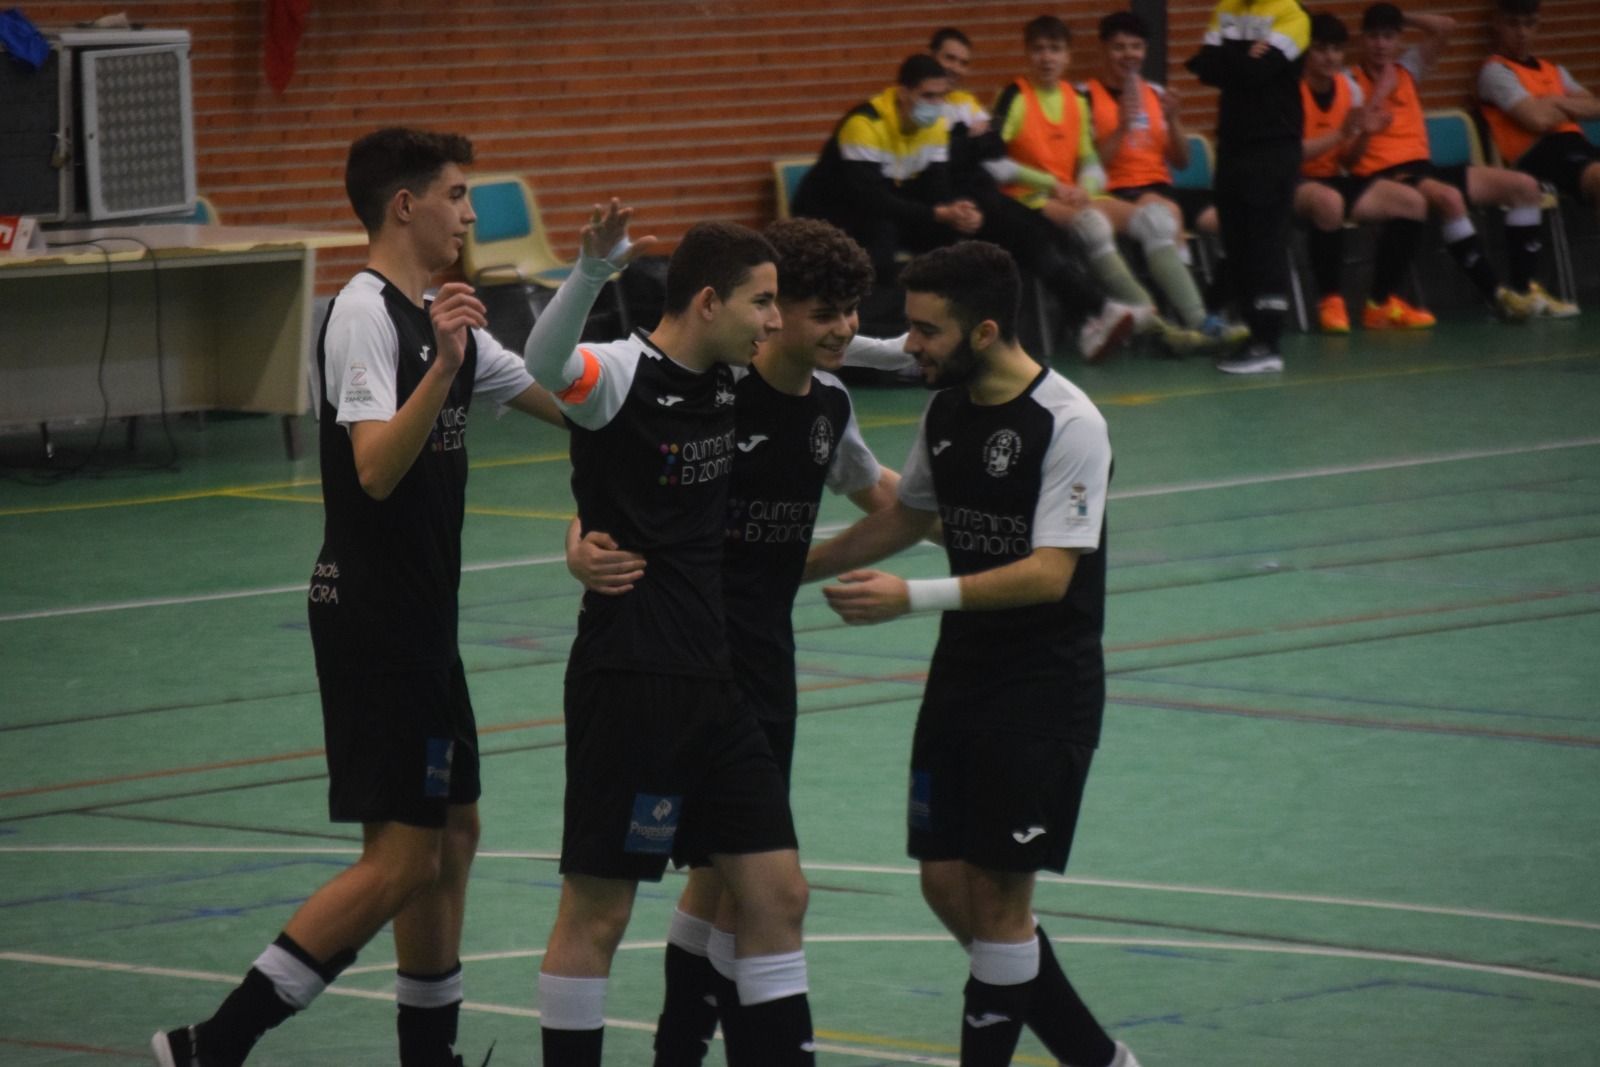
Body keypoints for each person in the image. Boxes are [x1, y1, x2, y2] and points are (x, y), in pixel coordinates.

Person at [150, 128, 563, 1067]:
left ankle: (429, 1055)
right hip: (377, 618)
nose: (469, 212)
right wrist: (449, 367)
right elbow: (375, 467)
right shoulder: (366, 315)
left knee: (455, 830)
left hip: (422, 618)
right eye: (457, 194)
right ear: (405, 205)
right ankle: (213, 1044)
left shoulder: (435, 310)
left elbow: (568, 397)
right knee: (403, 856)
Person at [568, 218, 898, 1066]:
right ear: (768, 309)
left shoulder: (828, 405)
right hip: (674, 656)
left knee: (742, 884)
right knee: (708, 883)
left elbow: (885, 493)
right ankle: (680, 1048)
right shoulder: (719, 382)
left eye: (853, 313)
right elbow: (620, 460)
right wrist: (580, 539)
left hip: (762, 661)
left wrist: (820, 561)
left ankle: (683, 1051)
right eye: (822, 310)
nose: (845, 329)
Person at [803, 240, 1139, 1067]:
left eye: (926, 330)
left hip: (1042, 687)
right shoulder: (945, 411)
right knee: (947, 883)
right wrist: (776, 566)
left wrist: (911, 597)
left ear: (984, 330)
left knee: (997, 897)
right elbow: (906, 517)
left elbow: (1052, 573)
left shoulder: (1068, 423)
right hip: (962, 678)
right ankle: (1101, 1060)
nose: (908, 344)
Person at [522, 207, 816, 1067]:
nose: (775, 321)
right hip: (631, 672)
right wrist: (589, 273)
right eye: (762, 302)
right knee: (599, 912)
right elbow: (544, 365)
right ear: (706, 300)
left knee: (777, 892)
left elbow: (844, 355)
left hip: (715, 680)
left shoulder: (734, 376)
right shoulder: (619, 374)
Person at [981, 15, 1212, 355]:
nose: (1047, 58)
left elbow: (1090, 160)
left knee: (1156, 221)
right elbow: (993, 161)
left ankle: (1201, 321)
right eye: (1039, 50)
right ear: (1027, 54)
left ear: (1068, 56)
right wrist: (1052, 184)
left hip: (1071, 193)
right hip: (1028, 197)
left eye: (1055, 50)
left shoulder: (1075, 99)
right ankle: (1157, 327)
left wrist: (1085, 186)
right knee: (1093, 226)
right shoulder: (1015, 95)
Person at [1348, 3, 1574, 319]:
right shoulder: (1350, 81)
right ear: (1362, 40)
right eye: (1373, 37)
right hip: (1387, 175)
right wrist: (1377, 96)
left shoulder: (1408, 69)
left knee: (1524, 186)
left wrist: (1403, 16)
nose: (1381, 44)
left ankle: (1525, 291)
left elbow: (1445, 26)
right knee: (1449, 197)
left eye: (1388, 36)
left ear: (1399, 39)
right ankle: (1496, 295)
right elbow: (1350, 141)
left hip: (1424, 167)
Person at [1083, 10, 1245, 344]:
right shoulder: (1085, 96)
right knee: (1163, 213)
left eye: (1136, 46)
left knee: (1236, 221)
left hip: (1163, 186)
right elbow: (1090, 167)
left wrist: (1174, 121)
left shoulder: (1155, 93)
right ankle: (1189, 319)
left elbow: (1182, 161)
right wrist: (1122, 127)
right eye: (1119, 47)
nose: (1129, 54)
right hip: (1119, 191)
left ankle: (1214, 303)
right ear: (1103, 50)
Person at [1186, 0, 1311, 373]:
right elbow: (1202, 65)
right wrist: (1242, 57)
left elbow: (1255, 72)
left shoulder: (1292, 14)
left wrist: (1228, 57)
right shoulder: (1226, 7)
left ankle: (1268, 343)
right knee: (1236, 240)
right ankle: (1249, 330)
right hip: (1232, 145)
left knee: (1264, 241)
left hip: (1273, 146)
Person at [1295, 11, 1436, 332]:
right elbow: (1293, 154)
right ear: (1306, 52)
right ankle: (1330, 300)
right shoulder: (1291, 92)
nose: (1330, 57)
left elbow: (1349, 162)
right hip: (1295, 182)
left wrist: (1367, 134)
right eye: (1320, 49)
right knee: (1329, 201)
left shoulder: (1348, 89)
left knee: (1412, 202)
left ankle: (1380, 303)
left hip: (1334, 177)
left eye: (1336, 50)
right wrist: (1341, 134)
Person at [1478, 0, 1600, 226]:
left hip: (1576, 145)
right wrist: (1570, 107)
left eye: (1529, 24)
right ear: (1497, 24)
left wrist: (1552, 101)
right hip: (1536, 155)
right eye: (1513, 24)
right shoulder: (1496, 71)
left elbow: (1595, 107)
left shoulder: (1554, 70)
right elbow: (1536, 120)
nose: (1522, 33)